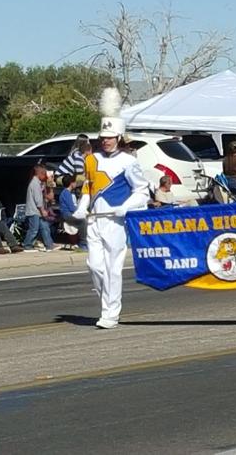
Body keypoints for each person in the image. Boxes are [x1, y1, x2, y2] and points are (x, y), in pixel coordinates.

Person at [72, 87, 150, 329]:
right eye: (103, 138)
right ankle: (106, 304)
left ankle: (111, 313)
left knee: (113, 269)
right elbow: (88, 187)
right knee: (94, 266)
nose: (106, 141)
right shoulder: (91, 159)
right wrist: (82, 206)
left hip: (115, 221)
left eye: (110, 137)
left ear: (118, 138)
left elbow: (142, 191)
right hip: (94, 220)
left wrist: (125, 207)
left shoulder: (128, 161)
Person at [22, 164, 56, 252]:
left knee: (45, 227)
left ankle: (49, 245)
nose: (45, 177)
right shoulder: (35, 184)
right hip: (34, 211)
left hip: (37, 211)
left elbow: (49, 197)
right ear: (40, 173)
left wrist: (49, 183)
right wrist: (42, 210)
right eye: (44, 174)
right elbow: (37, 199)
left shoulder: (38, 183)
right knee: (34, 229)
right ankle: (27, 245)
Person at [58, 174, 87, 250]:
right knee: (83, 222)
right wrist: (81, 210)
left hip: (66, 214)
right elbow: (72, 208)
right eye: (75, 182)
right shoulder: (67, 193)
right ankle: (83, 243)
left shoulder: (65, 192)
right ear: (71, 183)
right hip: (67, 215)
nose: (76, 184)